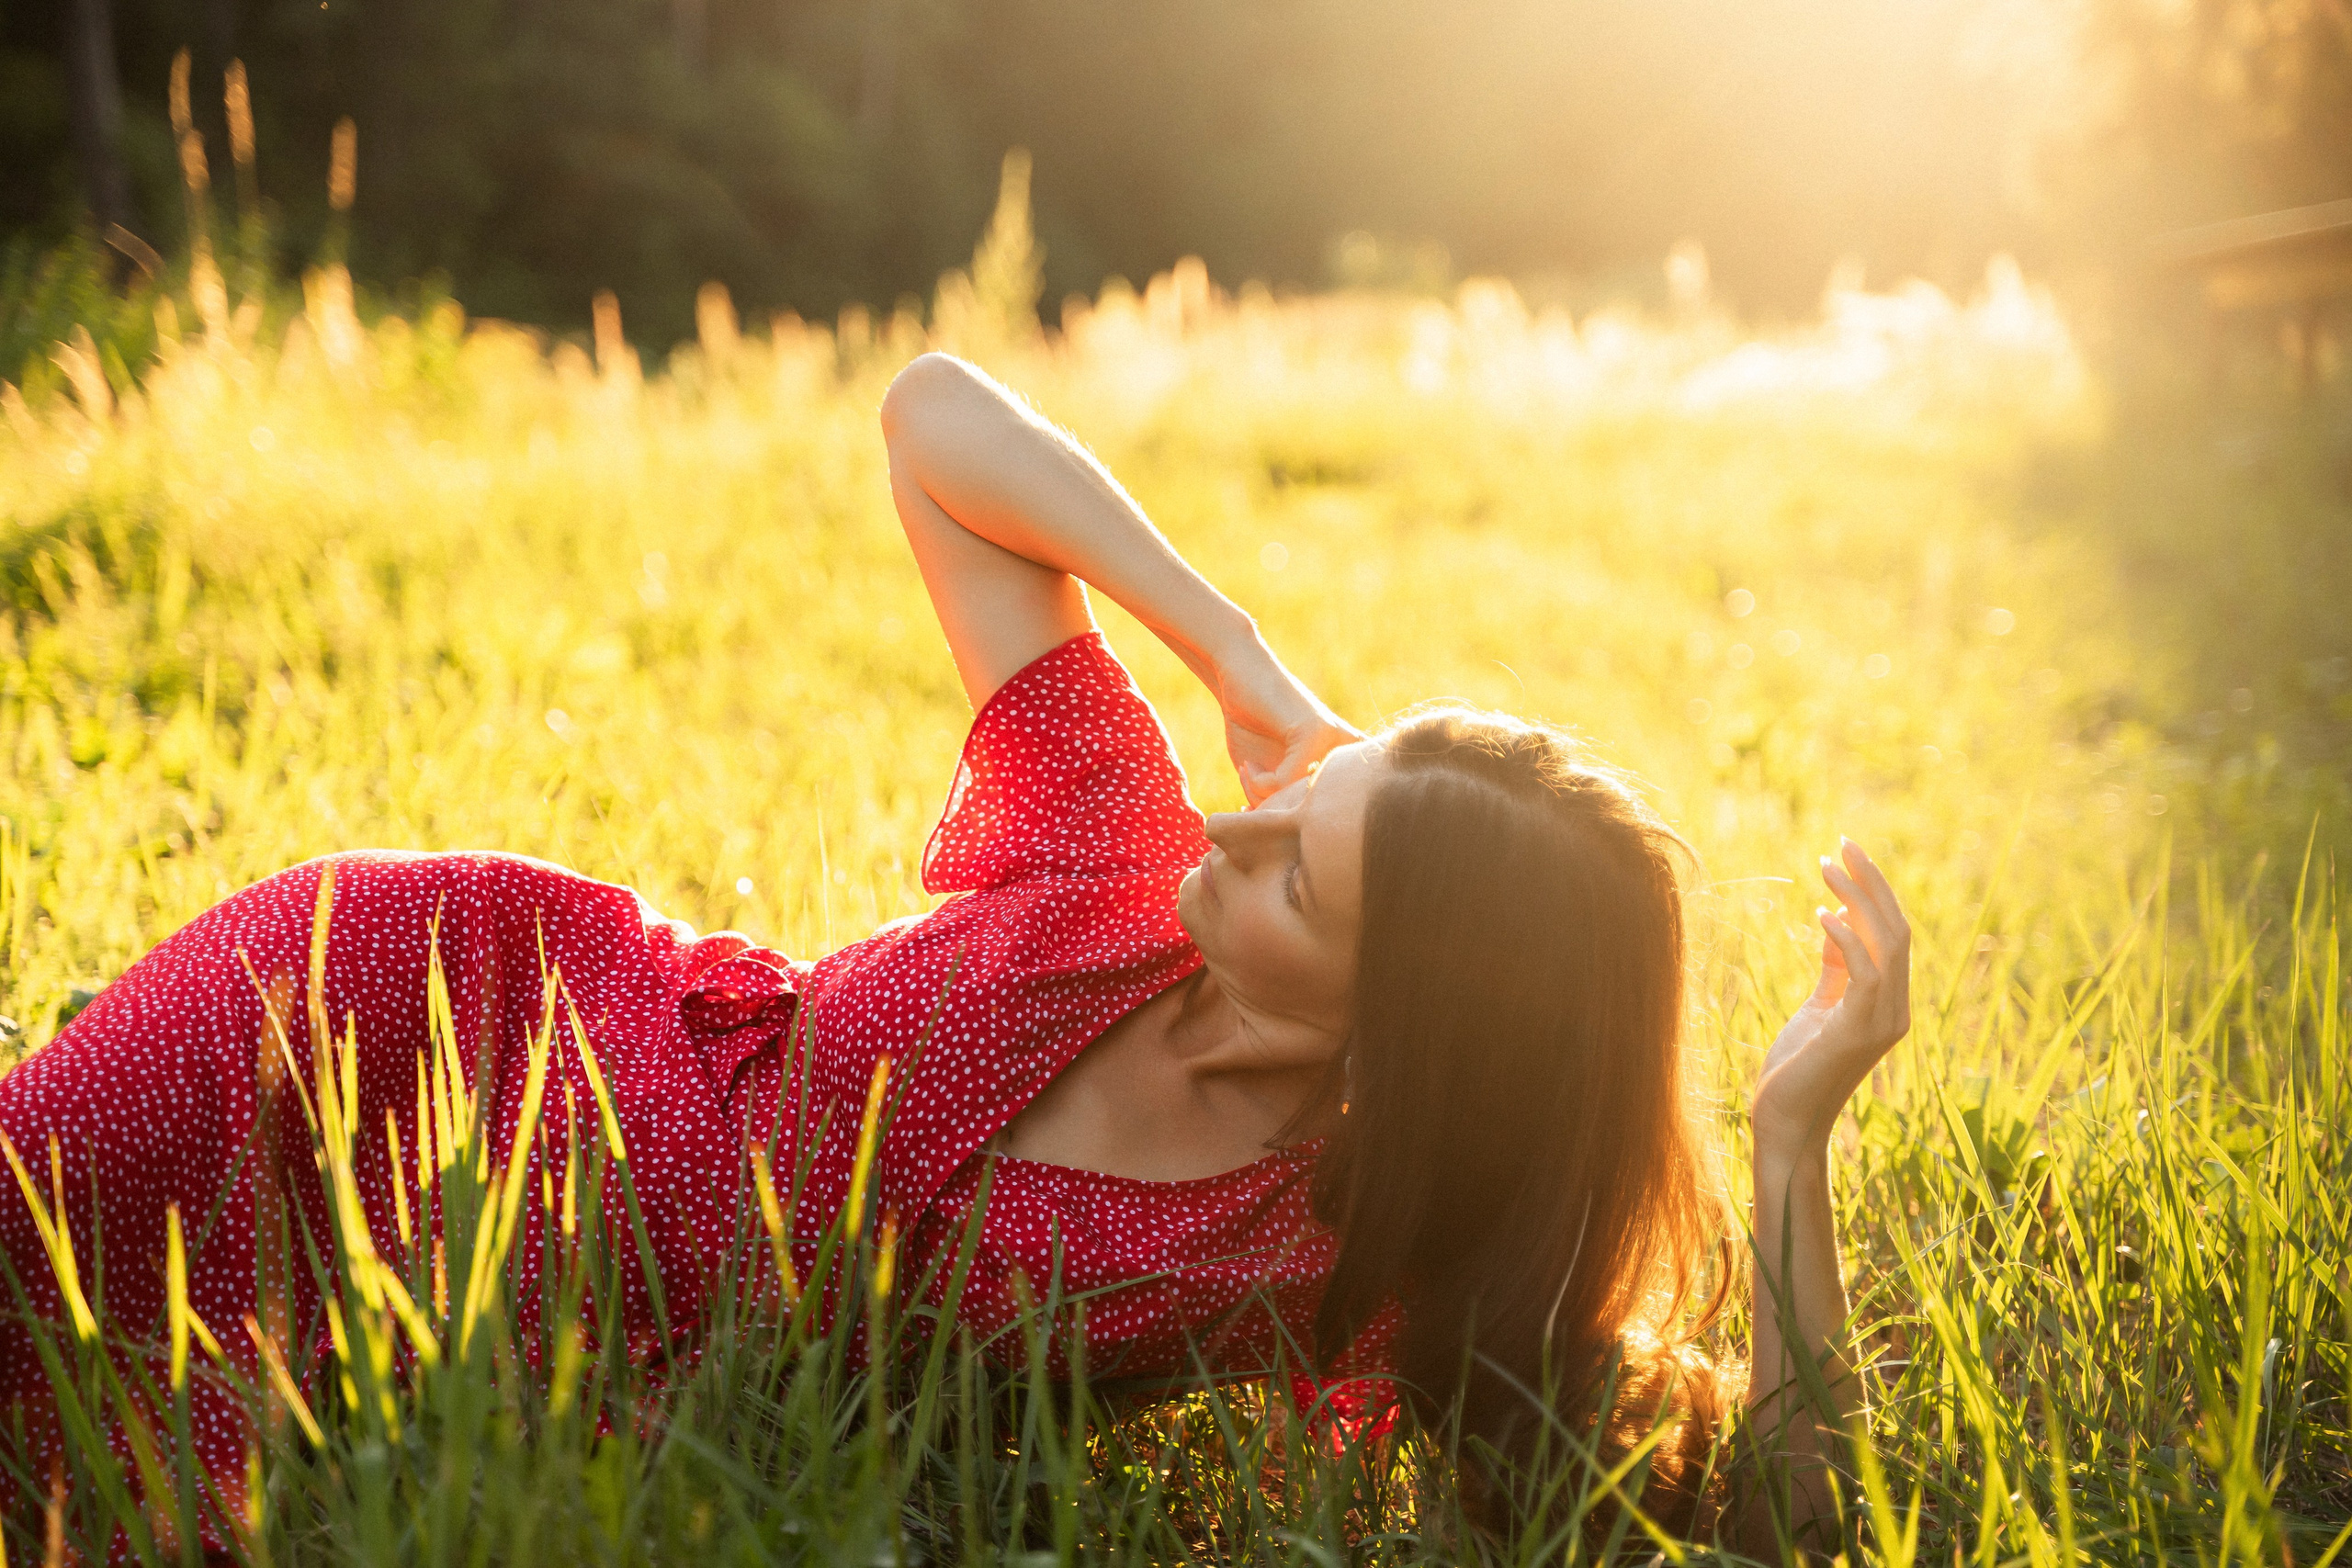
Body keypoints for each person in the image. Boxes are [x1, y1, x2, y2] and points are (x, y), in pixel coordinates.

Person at [0, 351, 1910, 1545]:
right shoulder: (1112, 848)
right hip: (419, 1011)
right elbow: (929, 417)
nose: (1228, 836)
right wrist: (1225, 644)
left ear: (1401, 1035)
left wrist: (1785, 1136)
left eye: (1295, 883)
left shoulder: (1324, 1254)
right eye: (1290, 794)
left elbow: (1785, 1517)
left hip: (503, 1339)